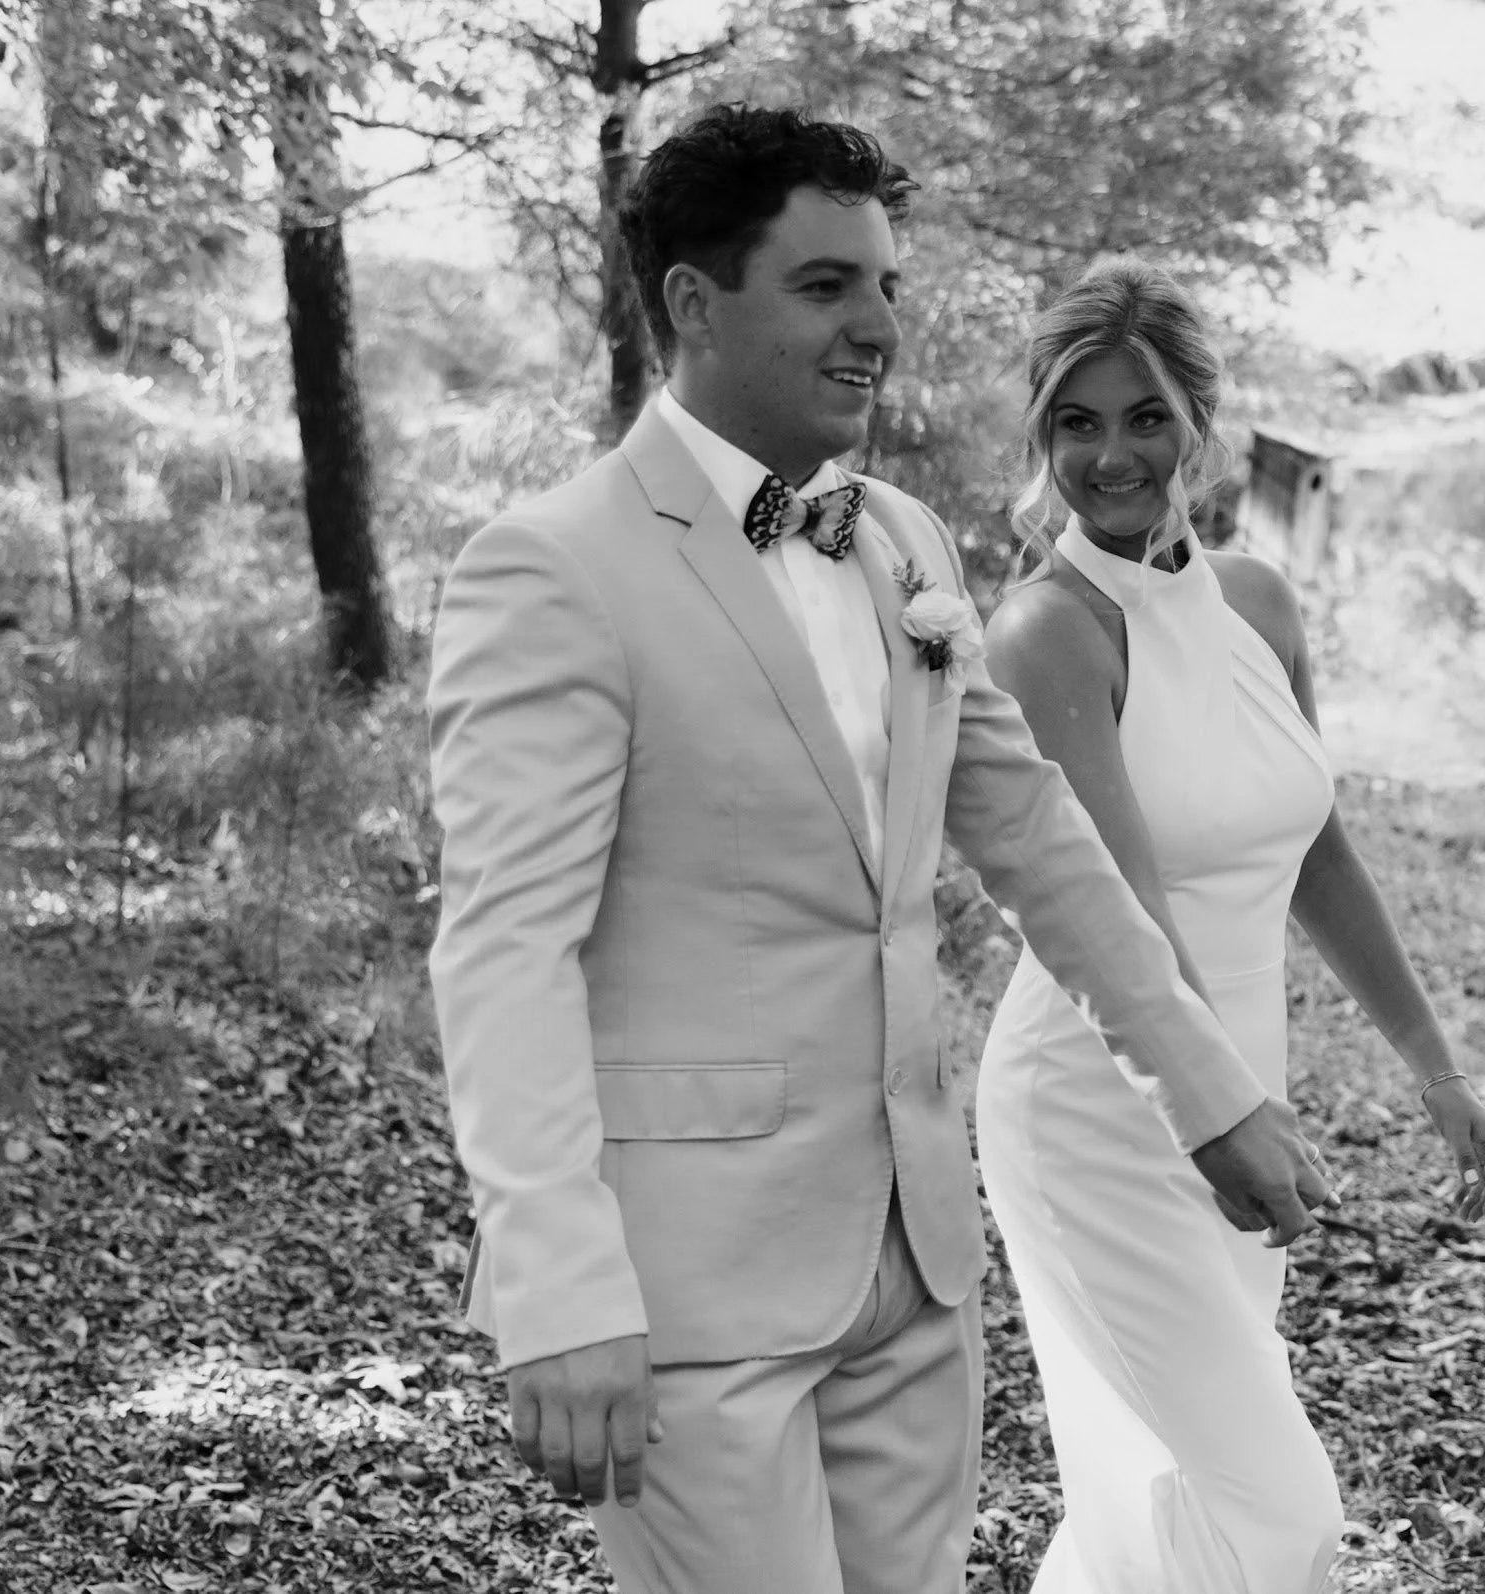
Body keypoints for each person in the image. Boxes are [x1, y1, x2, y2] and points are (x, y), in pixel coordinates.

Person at [424, 106, 1343, 1594]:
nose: (877, 326)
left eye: (885, 285)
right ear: (692, 303)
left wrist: (1206, 1089)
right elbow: (505, 953)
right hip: (691, 1287)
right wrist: (555, 1286)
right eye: (826, 286)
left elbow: (1035, 839)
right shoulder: (555, 569)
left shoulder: (899, 542)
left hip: (915, 1267)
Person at [975, 259, 1485, 1594]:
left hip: (1240, 1075)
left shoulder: (1259, 600)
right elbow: (1126, 910)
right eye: (1077, 422)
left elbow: (1314, 846)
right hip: (1100, 1107)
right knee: (1276, 1510)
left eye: (1144, 417)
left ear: (1200, 423)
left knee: (1162, 1492)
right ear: (1042, 438)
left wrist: (1435, 1072)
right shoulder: (1048, 633)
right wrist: (1219, 1110)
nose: (1113, 455)